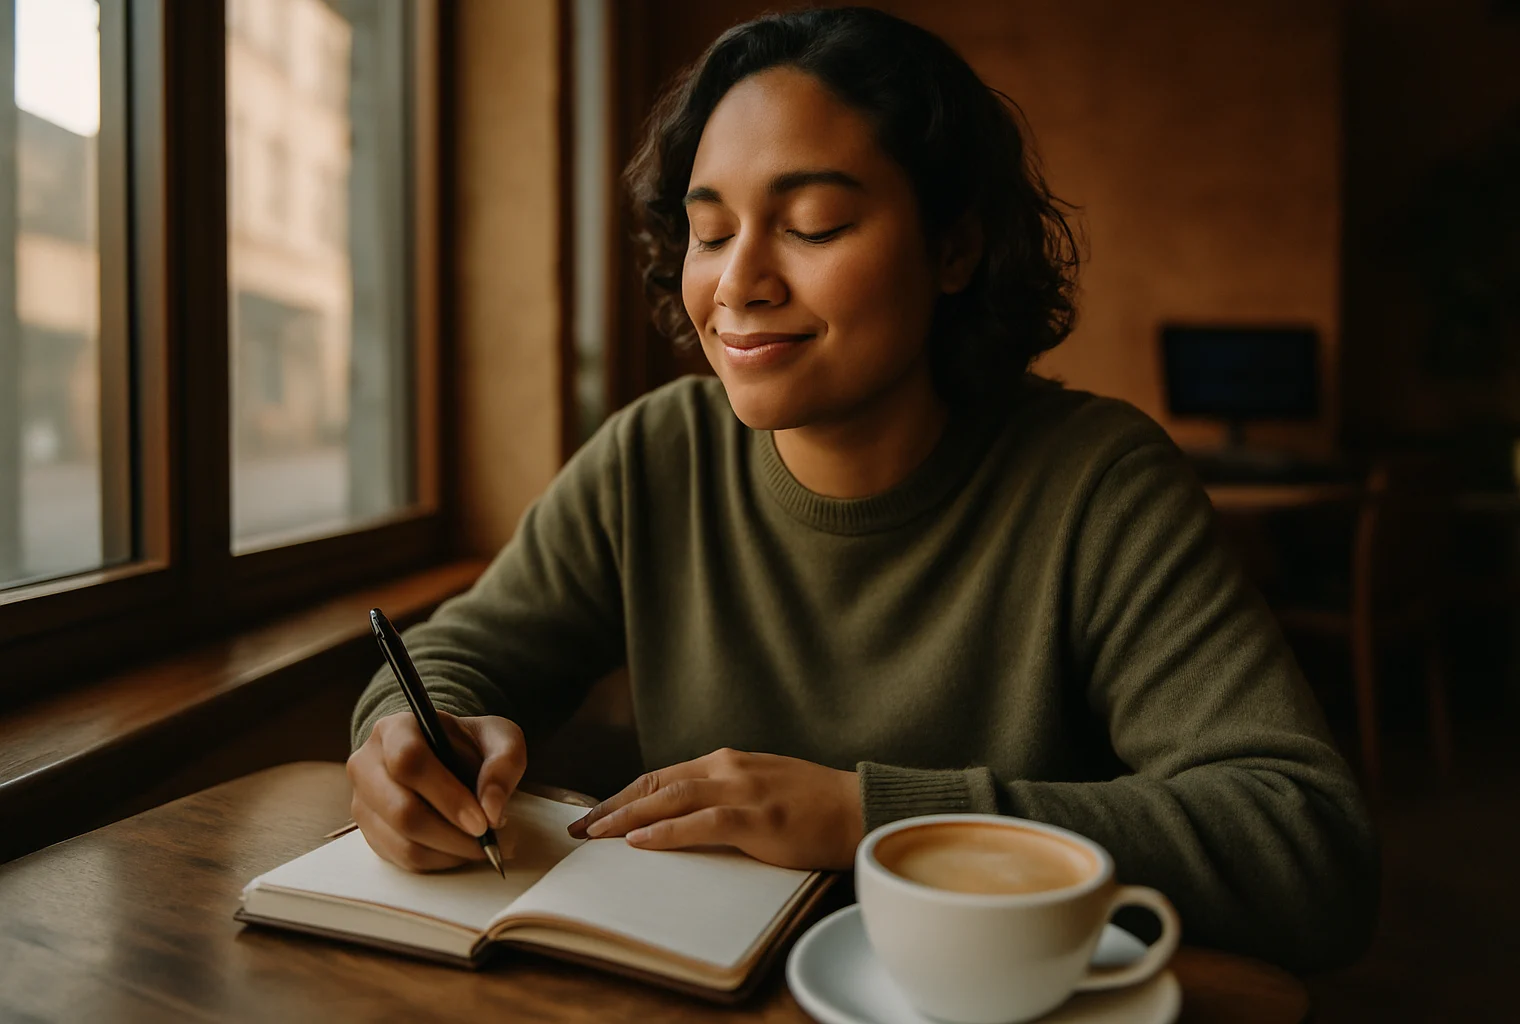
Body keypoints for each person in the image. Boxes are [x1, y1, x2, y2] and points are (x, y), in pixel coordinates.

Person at [345, 6, 1377, 970]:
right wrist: (407, 735)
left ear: (955, 248)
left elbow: (1307, 844)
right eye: (711, 231)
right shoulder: (654, 455)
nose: (738, 283)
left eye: (815, 222)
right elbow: (454, 653)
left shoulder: (1096, 482)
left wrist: (872, 814)